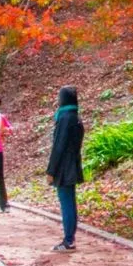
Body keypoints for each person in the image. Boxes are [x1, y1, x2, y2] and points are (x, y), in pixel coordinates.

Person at [45, 86, 85, 252]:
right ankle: (70, 238)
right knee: (70, 202)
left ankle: (68, 240)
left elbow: (58, 146)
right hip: (73, 164)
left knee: (66, 203)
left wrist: (50, 170)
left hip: (64, 167)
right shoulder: (76, 117)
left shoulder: (65, 118)